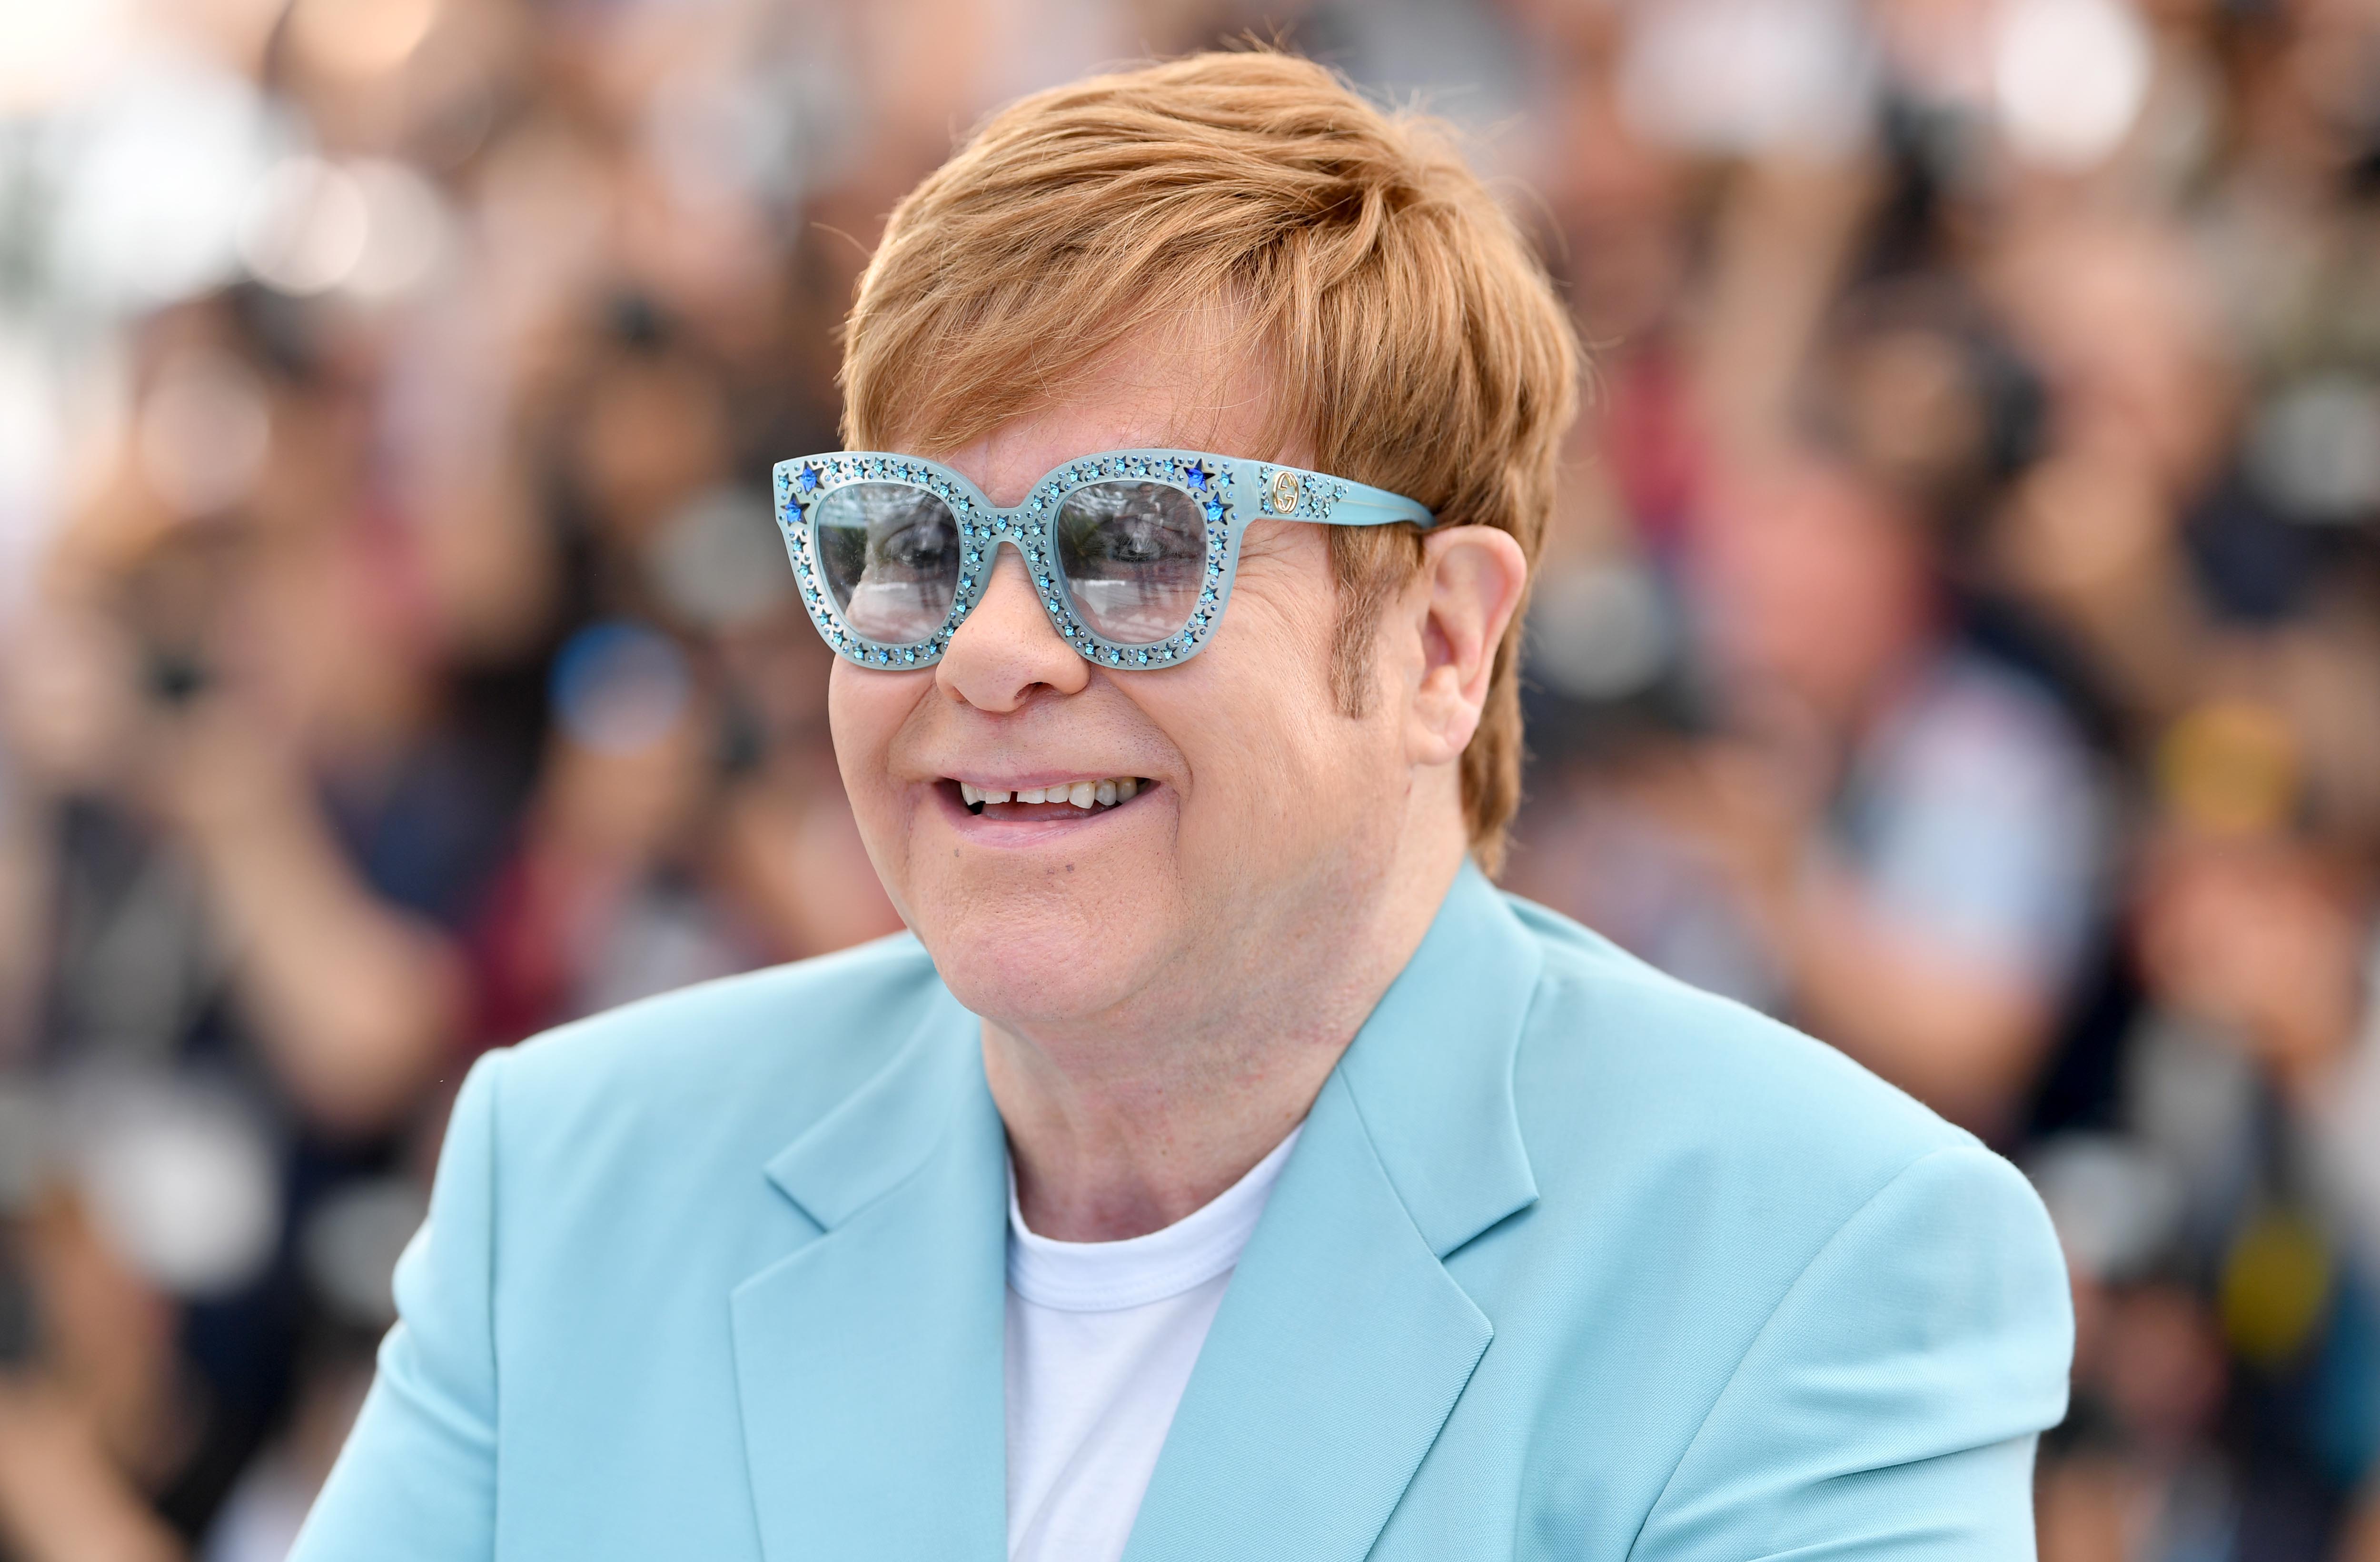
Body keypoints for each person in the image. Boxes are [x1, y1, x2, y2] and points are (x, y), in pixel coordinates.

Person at [289, 50, 2073, 1562]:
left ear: (1444, 641)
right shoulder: (574, 1176)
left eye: (1134, 542)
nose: (987, 650)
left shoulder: (1823, 1254)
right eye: (907, 542)